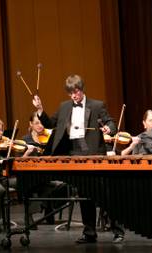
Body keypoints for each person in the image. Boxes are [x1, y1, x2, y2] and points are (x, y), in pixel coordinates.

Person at [32, 74, 124, 243]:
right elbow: (50, 124)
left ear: (82, 89)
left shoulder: (97, 105)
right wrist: (40, 109)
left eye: (76, 91)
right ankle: (89, 233)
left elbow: (112, 122)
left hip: (94, 153)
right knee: (85, 194)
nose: (74, 95)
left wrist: (108, 129)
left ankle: (117, 230)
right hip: (74, 154)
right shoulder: (64, 106)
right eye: (71, 93)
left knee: (105, 195)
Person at [22, 112, 67, 228]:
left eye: (42, 123)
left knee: (63, 185)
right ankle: (31, 213)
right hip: (30, 174)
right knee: (35, 183)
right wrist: (28, 152)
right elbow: (19, 161)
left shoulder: (49, 139)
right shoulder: (25, 140)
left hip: (48, 172)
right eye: (37, 123)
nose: (40, 126)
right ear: (30, 124)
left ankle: (48, 207)